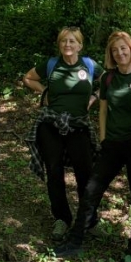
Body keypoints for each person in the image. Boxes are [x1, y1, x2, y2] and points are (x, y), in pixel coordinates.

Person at [58, 31, 131, 258]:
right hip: (112, 143)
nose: (120, 53)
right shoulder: (108, 78)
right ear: (111, 54)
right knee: (92, 190)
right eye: (115, 50)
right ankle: (75, 240)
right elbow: (102, 109)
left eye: (123, 48)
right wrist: (103, 137)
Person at [22, 27, 98, 243]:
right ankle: (62, 219)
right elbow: (28, 78)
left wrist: (95, 96)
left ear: (80, 45)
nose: (68, 45)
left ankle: (89, 219)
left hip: (79, 124)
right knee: (54, 172)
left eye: (72, 41)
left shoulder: (90, 65)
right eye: (64, 41)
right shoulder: (51, 65)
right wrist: (44, 93)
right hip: (50, 124)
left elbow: (111, 81)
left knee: (86, 172)